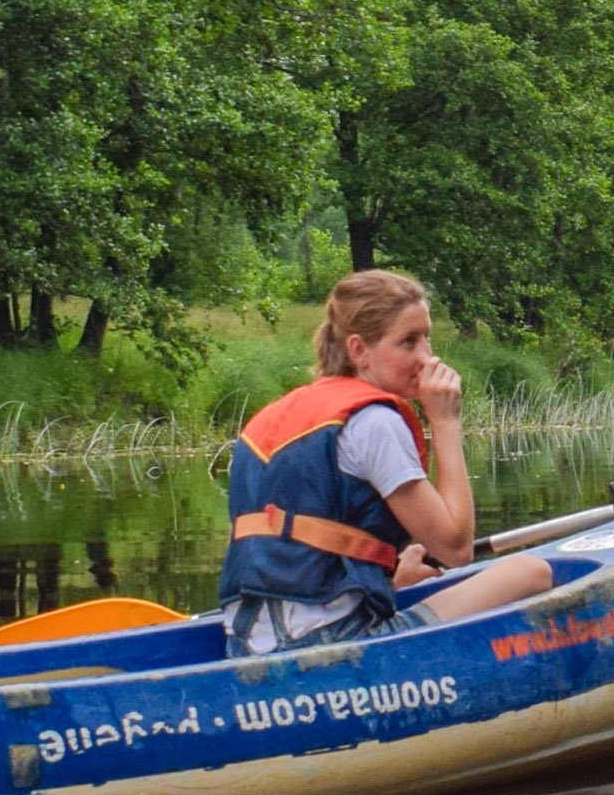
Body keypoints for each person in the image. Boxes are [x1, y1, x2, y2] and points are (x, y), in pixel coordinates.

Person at [220, 270, 555, 661]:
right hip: (333, 643)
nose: (426, 357)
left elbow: (296, 557)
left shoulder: (273, 417)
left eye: (427, 337)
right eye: (408, 342)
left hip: (244, 646)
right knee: (531, 572)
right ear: (359, 351)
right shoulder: (375, 423)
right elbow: (456, 548)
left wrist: (389, 580)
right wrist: (445, 422)